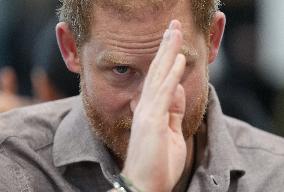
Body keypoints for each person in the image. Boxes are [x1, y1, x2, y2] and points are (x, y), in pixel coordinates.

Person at [0, 1, 283, 192]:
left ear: (213, 39)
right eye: (121, 69)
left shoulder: (274, 175)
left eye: (174, 65)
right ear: (71, 48)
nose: (148, 109)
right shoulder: (12, 162)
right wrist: (136, 186)